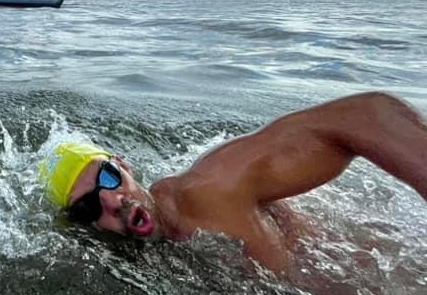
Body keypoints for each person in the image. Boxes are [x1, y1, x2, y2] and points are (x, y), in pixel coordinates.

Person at [39, 92, 426, 275]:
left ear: (124, 165)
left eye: (109, 177)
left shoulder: (211, 187)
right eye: (89, 206)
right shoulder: (135, 255)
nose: (113, 201)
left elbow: (365, 114)